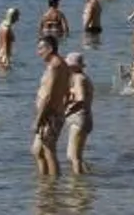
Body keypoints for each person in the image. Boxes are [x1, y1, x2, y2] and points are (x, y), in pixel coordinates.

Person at [32, 35, 69, 175]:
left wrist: (38, 119)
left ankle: (54, 188)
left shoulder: (55, 66)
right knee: (37, 151)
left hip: (49, 114)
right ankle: (45, 186)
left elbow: (48, 96)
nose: (38, 52)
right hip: (51, 112)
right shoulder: (61, 64)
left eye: (41, 48)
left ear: (51, 49)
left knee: (48, 150)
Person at [62, 52, 93, 174]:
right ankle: (86, 177)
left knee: (74, 157)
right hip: (81, 119)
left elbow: (81, 100)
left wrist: (66, 112)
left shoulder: (79, 78)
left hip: (80, 118)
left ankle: (78, 183)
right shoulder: (79, 77)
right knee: (72, 156)